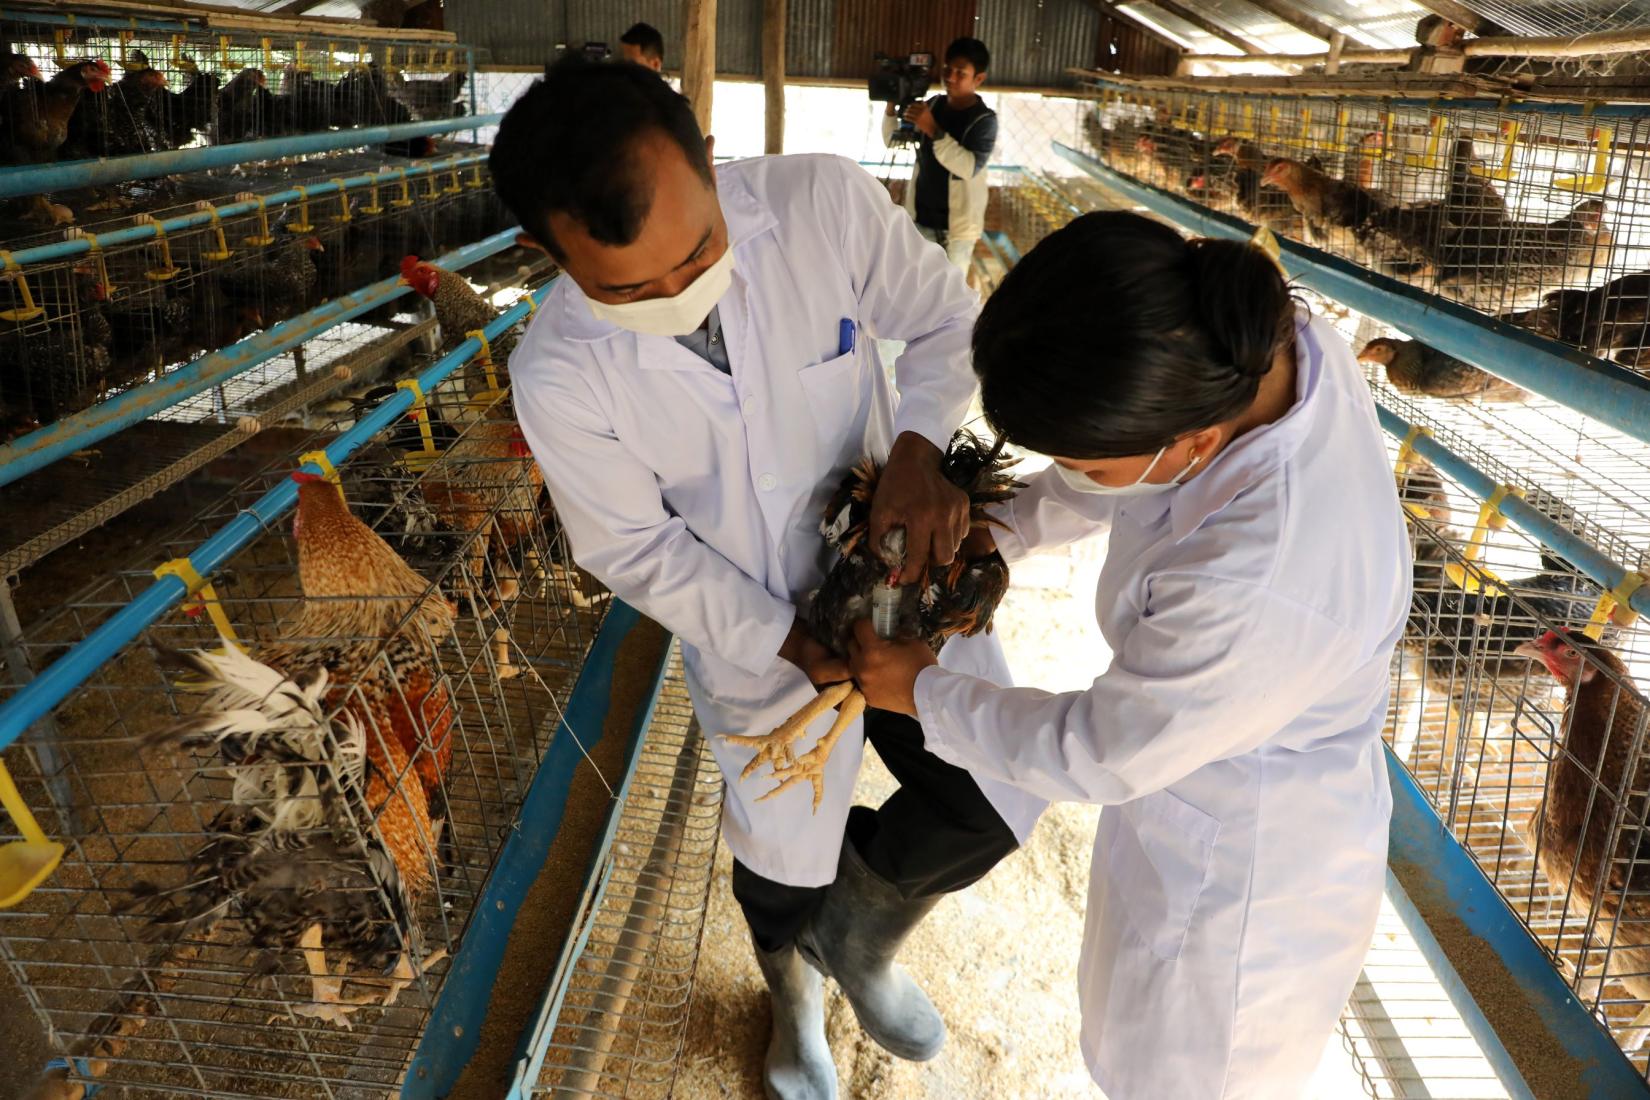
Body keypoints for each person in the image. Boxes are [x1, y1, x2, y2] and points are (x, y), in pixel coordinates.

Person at [489, 59, 1042, 1100]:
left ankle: (863, 938)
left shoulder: (820, 202)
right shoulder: (558, 372)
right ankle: (794, 999)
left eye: (698, 251)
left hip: (897, 576)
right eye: (628, 289)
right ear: (550, 256)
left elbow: (942, 323)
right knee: (783, 855)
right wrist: (780, 635)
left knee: (991, 793)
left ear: (707, 153)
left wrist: (919, 447)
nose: (677, 290)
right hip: (755, 626)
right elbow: (632, 547)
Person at [848, 212, 1409, 1099]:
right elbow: (1125, 478)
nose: (1075, 473)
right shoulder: (1242, 346)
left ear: (1186, 441)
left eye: (1083, 460)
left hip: (1245, 888)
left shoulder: (1264, 571)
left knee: (1174, 1078)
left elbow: (1100, 752)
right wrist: (1001, 526)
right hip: (1195, 782)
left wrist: (923, 690)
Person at [882, 37, 996, 272]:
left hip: (957, 230)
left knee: (948, 296)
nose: (950, 77)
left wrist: (932, 128)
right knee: (915, 286)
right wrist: (892, 107)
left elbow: (968, 167)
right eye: (947, 69)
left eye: (960, 73)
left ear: (979, 79)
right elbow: (893, 142)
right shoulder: (932, 105)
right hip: (920, 218)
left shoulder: (984, 121)